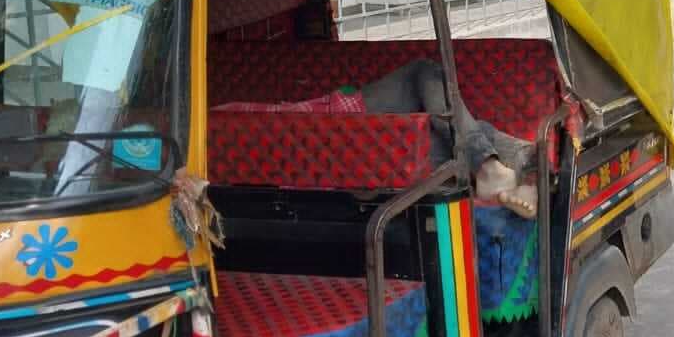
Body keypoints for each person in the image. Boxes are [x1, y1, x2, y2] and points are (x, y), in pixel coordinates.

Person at [215, 58, 537, 216]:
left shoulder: (204, 114)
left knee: (438, 128)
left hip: (331, 129)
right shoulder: (218, 118)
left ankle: (503, 167)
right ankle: (511, 165)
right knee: (422, 76)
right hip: (329, 124)